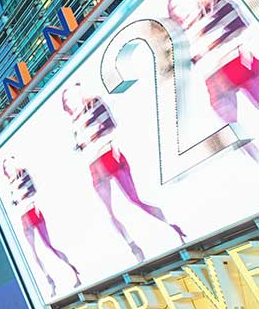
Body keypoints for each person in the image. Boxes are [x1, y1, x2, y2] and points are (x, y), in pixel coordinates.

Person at [61, 82, 186, 263]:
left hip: (108, 155)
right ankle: (134, 247)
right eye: (66, 99)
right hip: (94, 165)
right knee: (109, 212)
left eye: (71, 95)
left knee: (134, 200)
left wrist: (99, 143)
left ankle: (171, 226)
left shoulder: (94, 103)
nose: (69, 101)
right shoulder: (74, 123)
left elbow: (110, 126)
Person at [167, 0, 259, 163]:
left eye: (177, 7)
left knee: (231, 119)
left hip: (231, 64)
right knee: (229, 122)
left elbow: (245, 28)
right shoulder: (184, 34)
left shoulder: (214, 4)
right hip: (223, 70)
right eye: (173, 10)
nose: (177, 12)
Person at [1, 156, 81, 295]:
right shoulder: (10, 184)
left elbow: (33, 191)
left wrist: (20, 198)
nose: (8, 169)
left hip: (33, 211)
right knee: (34, 253)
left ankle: (73, 272)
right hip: (24, 217)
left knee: (48, 245)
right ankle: (50, 281)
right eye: (5, 167)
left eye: (9, 165)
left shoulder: (22, 173)